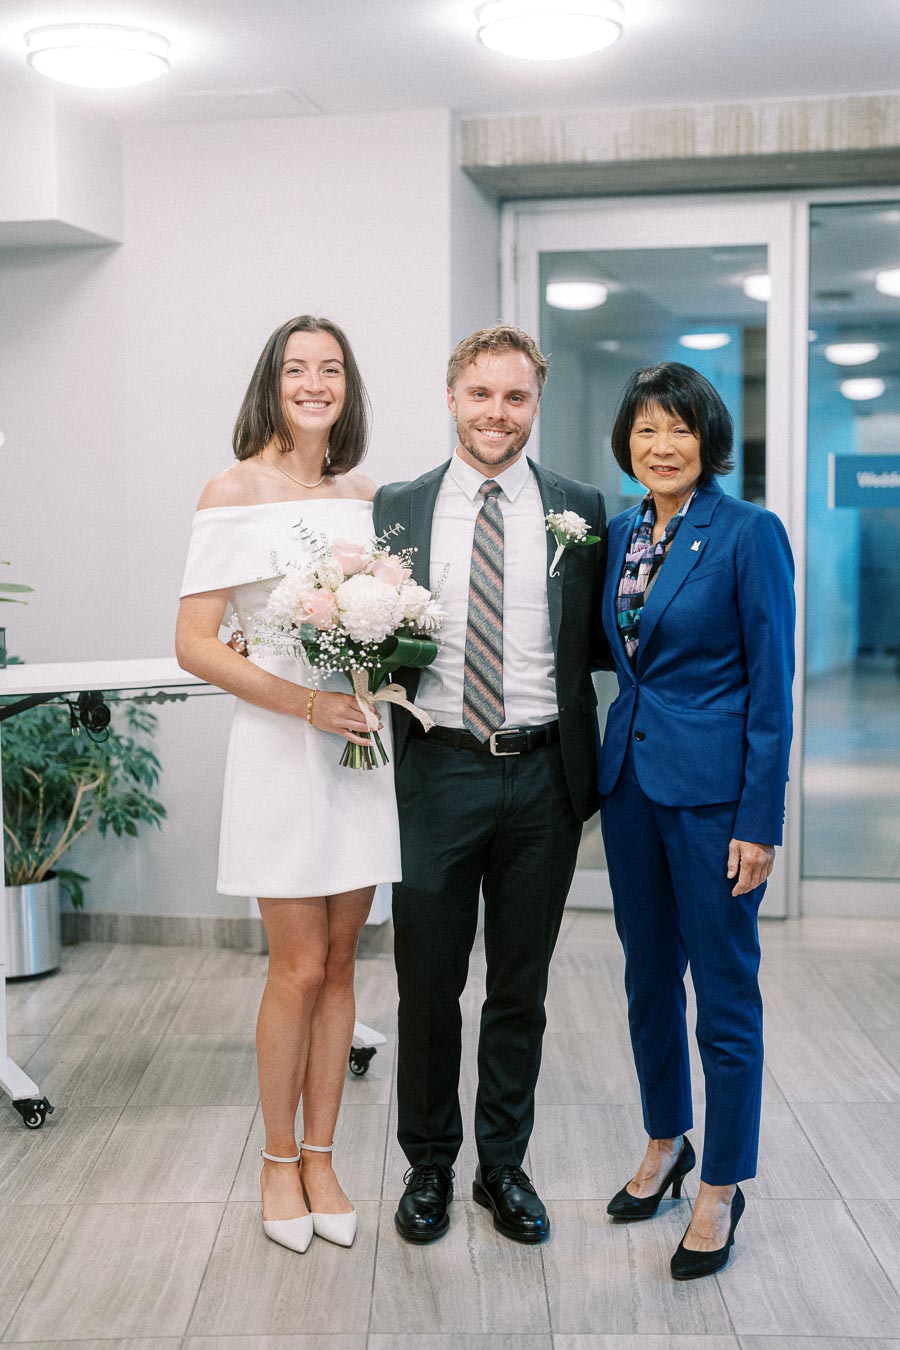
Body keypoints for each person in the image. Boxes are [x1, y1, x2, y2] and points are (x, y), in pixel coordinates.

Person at [373, 324, 608, 1246]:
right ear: (451, 397)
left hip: (544, 777)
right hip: (436, 770)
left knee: (520, 985)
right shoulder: (397, 505)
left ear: (534, 404)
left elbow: (601, 640)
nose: (497, 413)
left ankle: (501, 1167)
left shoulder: (578, 508)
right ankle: (429, 1166)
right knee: (428, 984)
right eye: (481, 395)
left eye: (515, 397)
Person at [175, 315, 401, 1254]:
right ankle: (275, 1162)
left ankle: (323, 1154)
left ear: (348, 387)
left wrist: (373, 677)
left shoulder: (368, 496)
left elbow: (388, 623)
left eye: (332, 369)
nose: (316, 383)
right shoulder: (232, 489)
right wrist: (304, 707)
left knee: (346, 963)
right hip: (280, 747)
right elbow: (193, 644)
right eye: (298, 369)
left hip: (358, 749)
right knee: (297, 965)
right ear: (272, 383)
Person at [598, 361, 794, 1280]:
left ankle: (721, 1184)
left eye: (678, 430)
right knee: (646, 982)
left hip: (718, 804)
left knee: (723, 996)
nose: (661, 446)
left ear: (708, 440)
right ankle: (666, 1140)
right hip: (632, 790)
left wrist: (761, 820)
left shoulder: (750, 532)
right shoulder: (620, 530)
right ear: (627, 444)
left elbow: (771, 689)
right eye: (645, 430)